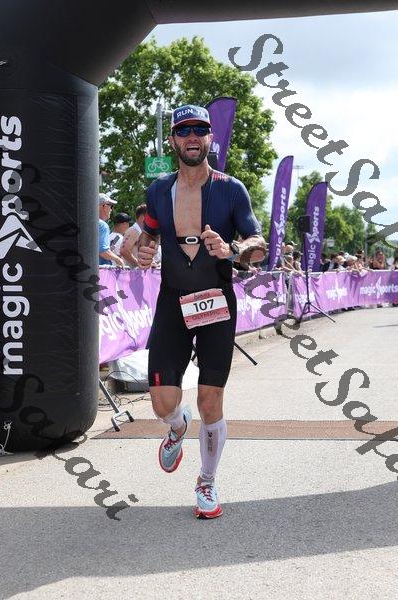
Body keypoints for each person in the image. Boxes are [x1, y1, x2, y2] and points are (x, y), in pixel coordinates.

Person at [137, 104, 266, 519]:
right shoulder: (158, 189)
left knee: (211, 401)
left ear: (210, 138)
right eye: (183, 131)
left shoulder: (231, 189)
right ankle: (177, 426)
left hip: (216, 300)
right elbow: (148, 234)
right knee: (161, 403)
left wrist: (232, 249)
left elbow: (258, 244)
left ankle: (206, 480)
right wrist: (143, 250)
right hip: (173, 301)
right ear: (172, 140)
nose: (191, 137)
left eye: (199, 130)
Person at [98, 193, 124, 267]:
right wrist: (118, 259)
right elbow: (103, 252)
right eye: (111, 206)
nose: (111, 209)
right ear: (104, 206)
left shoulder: (85, 223)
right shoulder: (102, 225)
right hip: (98, 271)